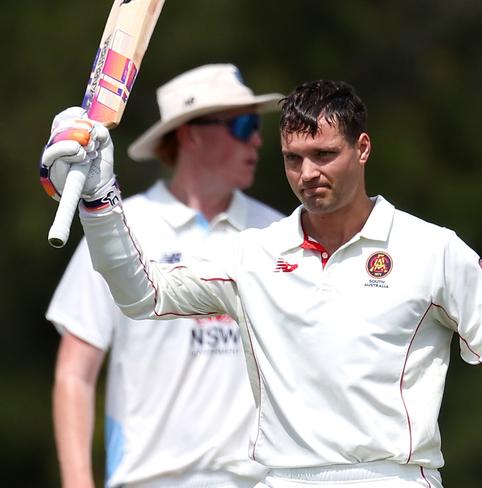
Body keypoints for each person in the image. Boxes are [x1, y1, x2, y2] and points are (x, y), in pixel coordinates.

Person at [40, 79, 482, 488]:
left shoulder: (432, 251)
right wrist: (98, 199)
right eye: (293, 159)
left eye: (324, 155)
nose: (307, 174)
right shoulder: (253, 254)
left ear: (362, 149)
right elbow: (140, 295)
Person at [43, 64, 285, 488]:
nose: (258, 139)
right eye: (243, 124)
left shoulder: (279, 234)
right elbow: (74, 375)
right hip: (149, 479)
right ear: (190, 134)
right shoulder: (117, 229)